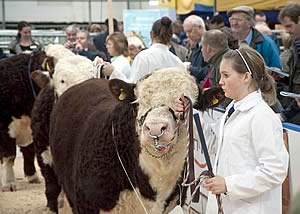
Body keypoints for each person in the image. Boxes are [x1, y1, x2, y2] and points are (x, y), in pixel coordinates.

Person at [176, 46, 289, 213]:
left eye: (226, 75)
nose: (220, 81)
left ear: (246, 77)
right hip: (227, 205)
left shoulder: (262, 116)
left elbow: (275, 171)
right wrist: (190, 115)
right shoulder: (233, 109)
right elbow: (215, 143)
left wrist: (229, 184)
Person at [128, 16, 185, 83]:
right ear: (170, 36)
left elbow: (134, 85)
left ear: (152, 34)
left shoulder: (143, 57)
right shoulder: (177, 62)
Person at [278, 3, 300, 124]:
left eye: (289, 26)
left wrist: (286, 115)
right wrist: (283, 78)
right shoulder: (295, 43)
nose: (287, 31)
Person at [183, 15, 208, 84]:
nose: (187, 35)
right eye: (186, 32)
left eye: (190, 31)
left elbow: (209, 71)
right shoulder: (196, 45)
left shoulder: (211, 43)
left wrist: (190, 68)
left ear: (200, 28)